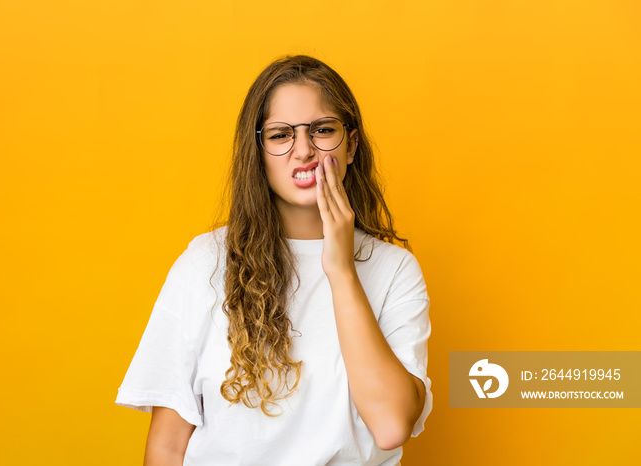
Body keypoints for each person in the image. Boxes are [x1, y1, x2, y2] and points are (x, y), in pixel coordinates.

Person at [115, 54, 432, 465]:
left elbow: (390, 426)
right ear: (258, 151)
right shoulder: (206, 261)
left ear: (350, 145)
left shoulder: (394, 270)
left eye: (321, 130)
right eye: (281, 135)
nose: (304, 151)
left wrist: (340, 269)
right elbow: (168, 444)